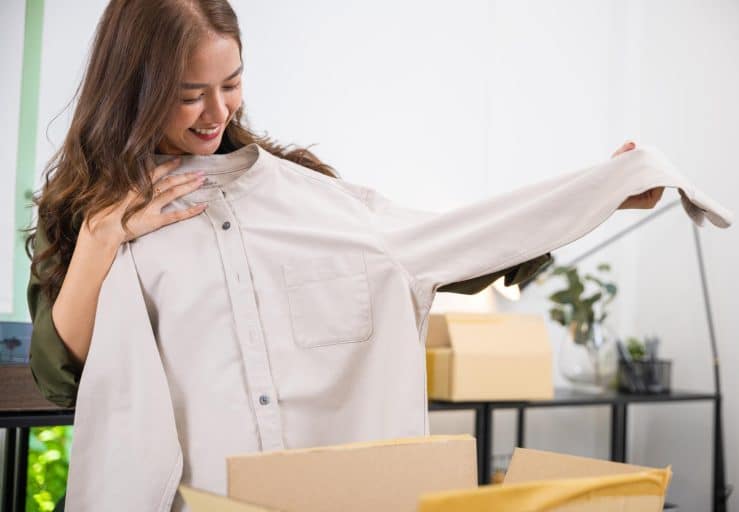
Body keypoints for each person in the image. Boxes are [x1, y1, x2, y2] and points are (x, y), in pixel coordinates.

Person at [26, 1, 663, 510]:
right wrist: (102, 240)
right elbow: (64, 379)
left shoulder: (301, 188)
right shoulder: (87, 207)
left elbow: (437, 246)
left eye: (233, 83)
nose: (217, 111)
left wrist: (596, 200)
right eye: (190, 93)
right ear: (136, 87)